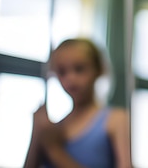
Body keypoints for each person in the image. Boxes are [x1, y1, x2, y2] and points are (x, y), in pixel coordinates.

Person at [24, 38, 132, 168]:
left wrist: (54, 150)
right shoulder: (51, 129)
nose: (70, 79)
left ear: (98, 70)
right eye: (62, 72)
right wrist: (36, 133)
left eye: (79, 69)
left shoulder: (115, 120)